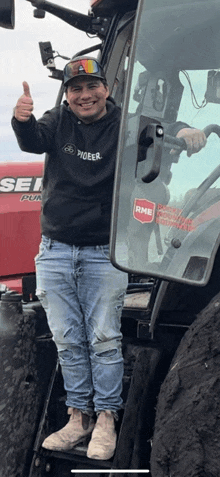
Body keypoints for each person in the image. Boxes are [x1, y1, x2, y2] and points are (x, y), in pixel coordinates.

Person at [11, 56, 207, 461]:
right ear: (67, 95)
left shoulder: (125, 122)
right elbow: (33, 140)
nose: (85, 95)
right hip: (56, 250)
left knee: (102, 338)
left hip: (104, 250)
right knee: (67, 338)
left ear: (106, 88)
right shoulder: (57, 121)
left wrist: (184, 129)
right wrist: (22, 121)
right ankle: (77, 416)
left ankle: (105, 419)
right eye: (76, 89)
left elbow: (159, 127)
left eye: (92, 87)